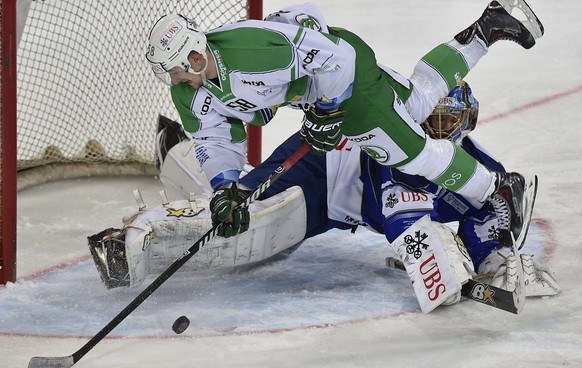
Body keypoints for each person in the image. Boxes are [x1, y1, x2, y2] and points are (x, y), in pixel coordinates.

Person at [89, 83, 560, 314]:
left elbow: (488, 219)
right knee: (253, 223)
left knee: (255, 221)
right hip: (319, 171)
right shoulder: (397, 151)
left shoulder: (481, 168)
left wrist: (493, 256)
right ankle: (137, 231)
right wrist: (434, 260)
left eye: (448, 123)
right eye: (428, 121)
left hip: (344, 199)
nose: (434, 132)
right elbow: (405, 224)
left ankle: (176, 151)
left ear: (467, 123)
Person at [144, 1, 544, 249]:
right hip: (324, 85)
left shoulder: (251, 49)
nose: (173, 78)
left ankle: (499, 188)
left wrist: (329, 110)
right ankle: (488, 28)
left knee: (413, 156)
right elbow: (214, 137)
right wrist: (224, 186)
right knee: (420, 101)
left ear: (194, 57)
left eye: (174, 68)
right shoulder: (192, 90)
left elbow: (337, 58)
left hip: (349, 82)